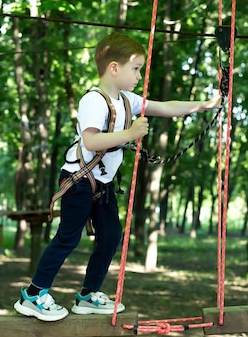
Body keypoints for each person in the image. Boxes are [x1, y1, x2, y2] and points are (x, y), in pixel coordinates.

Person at [14, 32, 221, 321]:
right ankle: (34, 294)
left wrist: (208, 104)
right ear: (114, 68)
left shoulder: (128, 101)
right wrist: (130, 134)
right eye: (135, 68)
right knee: (67, 239)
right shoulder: (94, 101)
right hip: (79, 181)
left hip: (104, 184)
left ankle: (87, 295)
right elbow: (90, 141)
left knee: (111, 236)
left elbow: (167, 107)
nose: (139, 75)